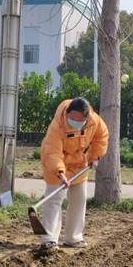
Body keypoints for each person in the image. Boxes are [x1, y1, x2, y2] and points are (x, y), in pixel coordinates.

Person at [40, 97, 109, 250]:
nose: (75, 122)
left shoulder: (94, 121)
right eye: (72, 118)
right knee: (54, 200)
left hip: (79, 165)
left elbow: (101, 137)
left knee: (79, 199)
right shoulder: (57, 126)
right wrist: (60, 173)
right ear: (67, 113)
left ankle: (73, 237)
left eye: (79, 120)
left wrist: (95, 156)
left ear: (86, 117)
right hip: (56, 165)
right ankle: (49, 239)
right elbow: (52, 152)